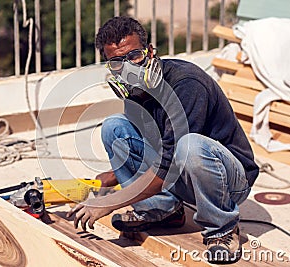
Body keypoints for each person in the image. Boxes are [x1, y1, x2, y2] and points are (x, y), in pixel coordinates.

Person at [67, 16, 259, 263]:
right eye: (116, 61)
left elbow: (170, 163)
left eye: (133, 56)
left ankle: (222, 228)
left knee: (190, 145)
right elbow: (154, 146)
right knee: (115, 127)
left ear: (149, 52)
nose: (128, 67)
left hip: (229, 180)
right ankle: (162, 211)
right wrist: (114, 175)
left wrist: (113, 202)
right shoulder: (136, 92)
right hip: (183, 168)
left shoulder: (187, 84)